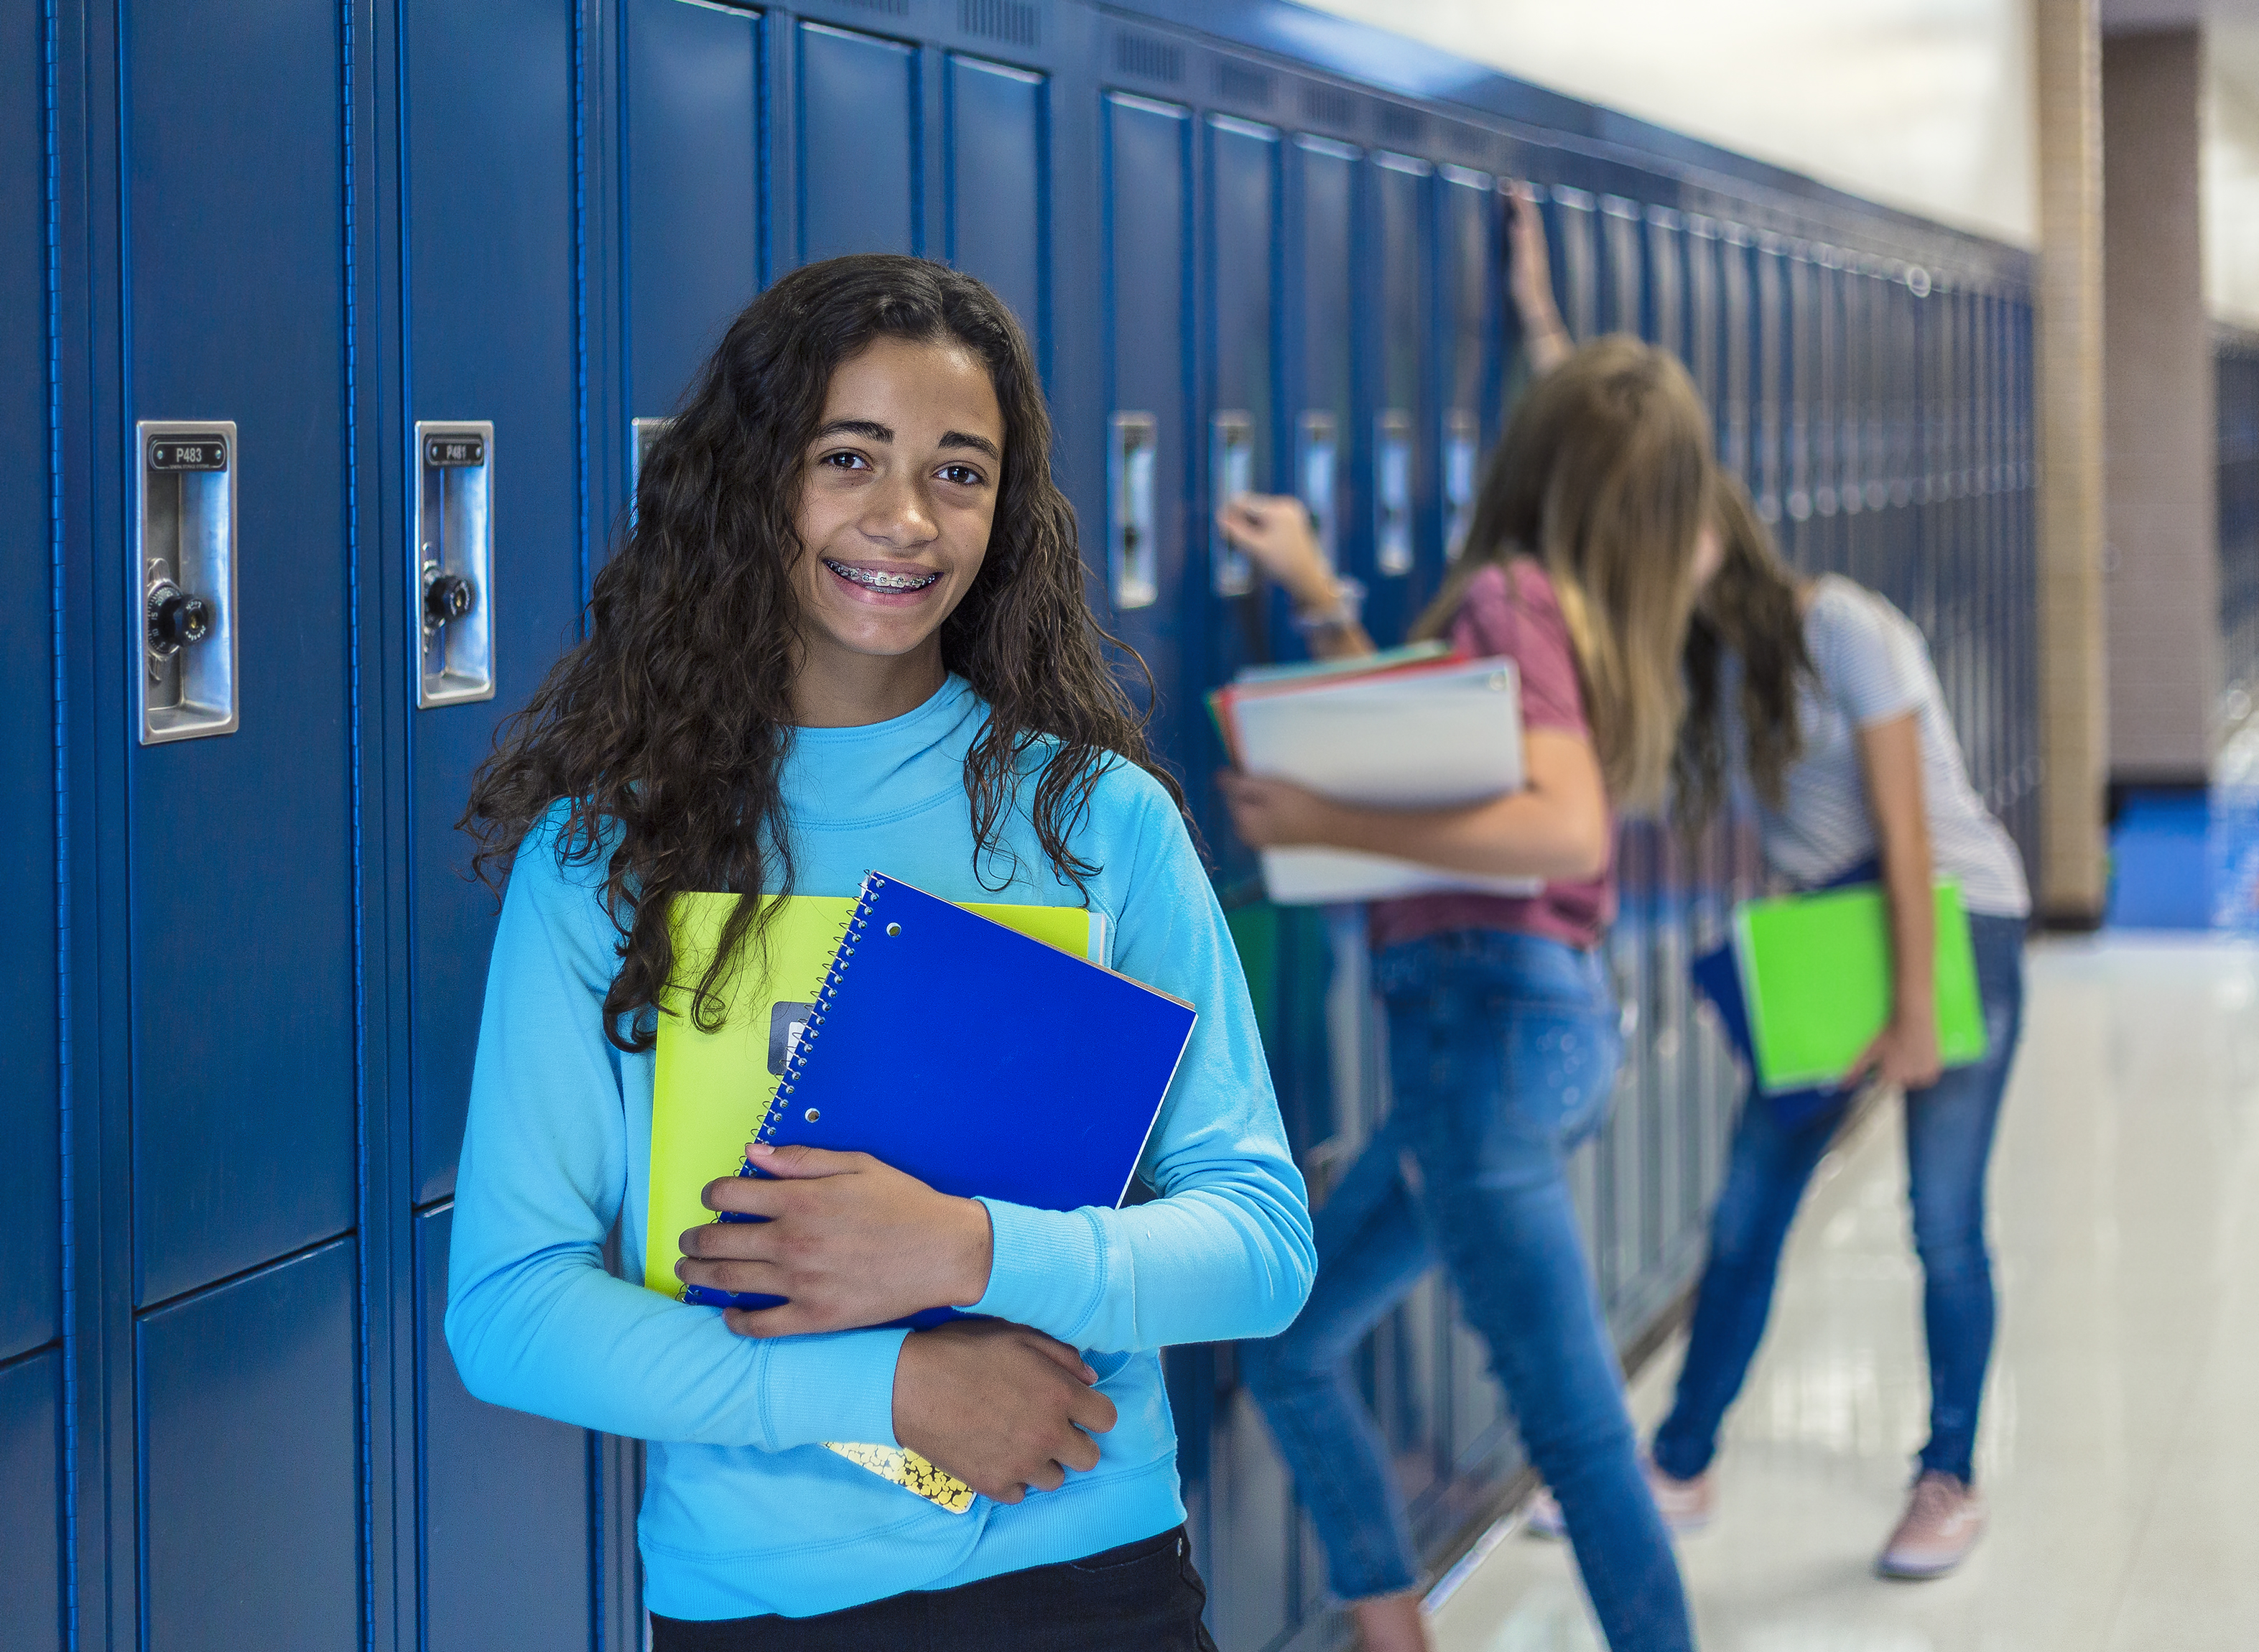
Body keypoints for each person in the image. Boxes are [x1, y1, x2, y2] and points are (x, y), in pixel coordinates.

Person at [445, 254, 1315, 1651]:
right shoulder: (603, 857)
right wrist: (895, 1390)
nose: (905, 520)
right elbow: (509, 1307)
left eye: (959, 473)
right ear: (752, 479)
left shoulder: (1096, 823)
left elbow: (1261, 1244)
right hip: (763, 1602)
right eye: (850, 456)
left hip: (1092, 1574)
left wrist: (964, 1248)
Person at [1217, 335, 1720, 1652]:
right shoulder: (1590, 616)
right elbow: (1439, 750)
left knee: (1570, 1422)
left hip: (1484, 1041)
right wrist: (1325, 599)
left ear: (1527, 460)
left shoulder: (1509, 595)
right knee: (1289, 1342)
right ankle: (1392, 1621)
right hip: (1514, 1040)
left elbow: (1557, 830)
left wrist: (1325, 816)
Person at [1533, 475, 2028, 1579]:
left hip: (1950, 927)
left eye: (1665, 537)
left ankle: (1947, 1480)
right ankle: (1678, 1465)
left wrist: (1910, 1011)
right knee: (1747, 1213)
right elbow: (1611, 447)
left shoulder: (1840, 625)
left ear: (1716, 533)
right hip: (1830, 952)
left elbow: (1904, 831)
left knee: (1940, 1220)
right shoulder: (1707, 672)